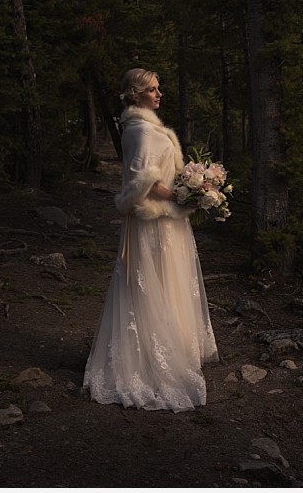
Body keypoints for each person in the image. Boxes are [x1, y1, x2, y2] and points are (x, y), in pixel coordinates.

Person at [83, 68, 218, 412]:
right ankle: (146, 357)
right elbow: (141, 180)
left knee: (168, 281)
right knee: (150, 284)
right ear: (136, 94)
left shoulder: (146, 127)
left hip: (167, 221)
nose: (160, 95)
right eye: (154, 90)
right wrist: (181, 194)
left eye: (159, 89)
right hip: (154, 221)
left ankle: (171, 345)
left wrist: (192, 186)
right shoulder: (140, 131)